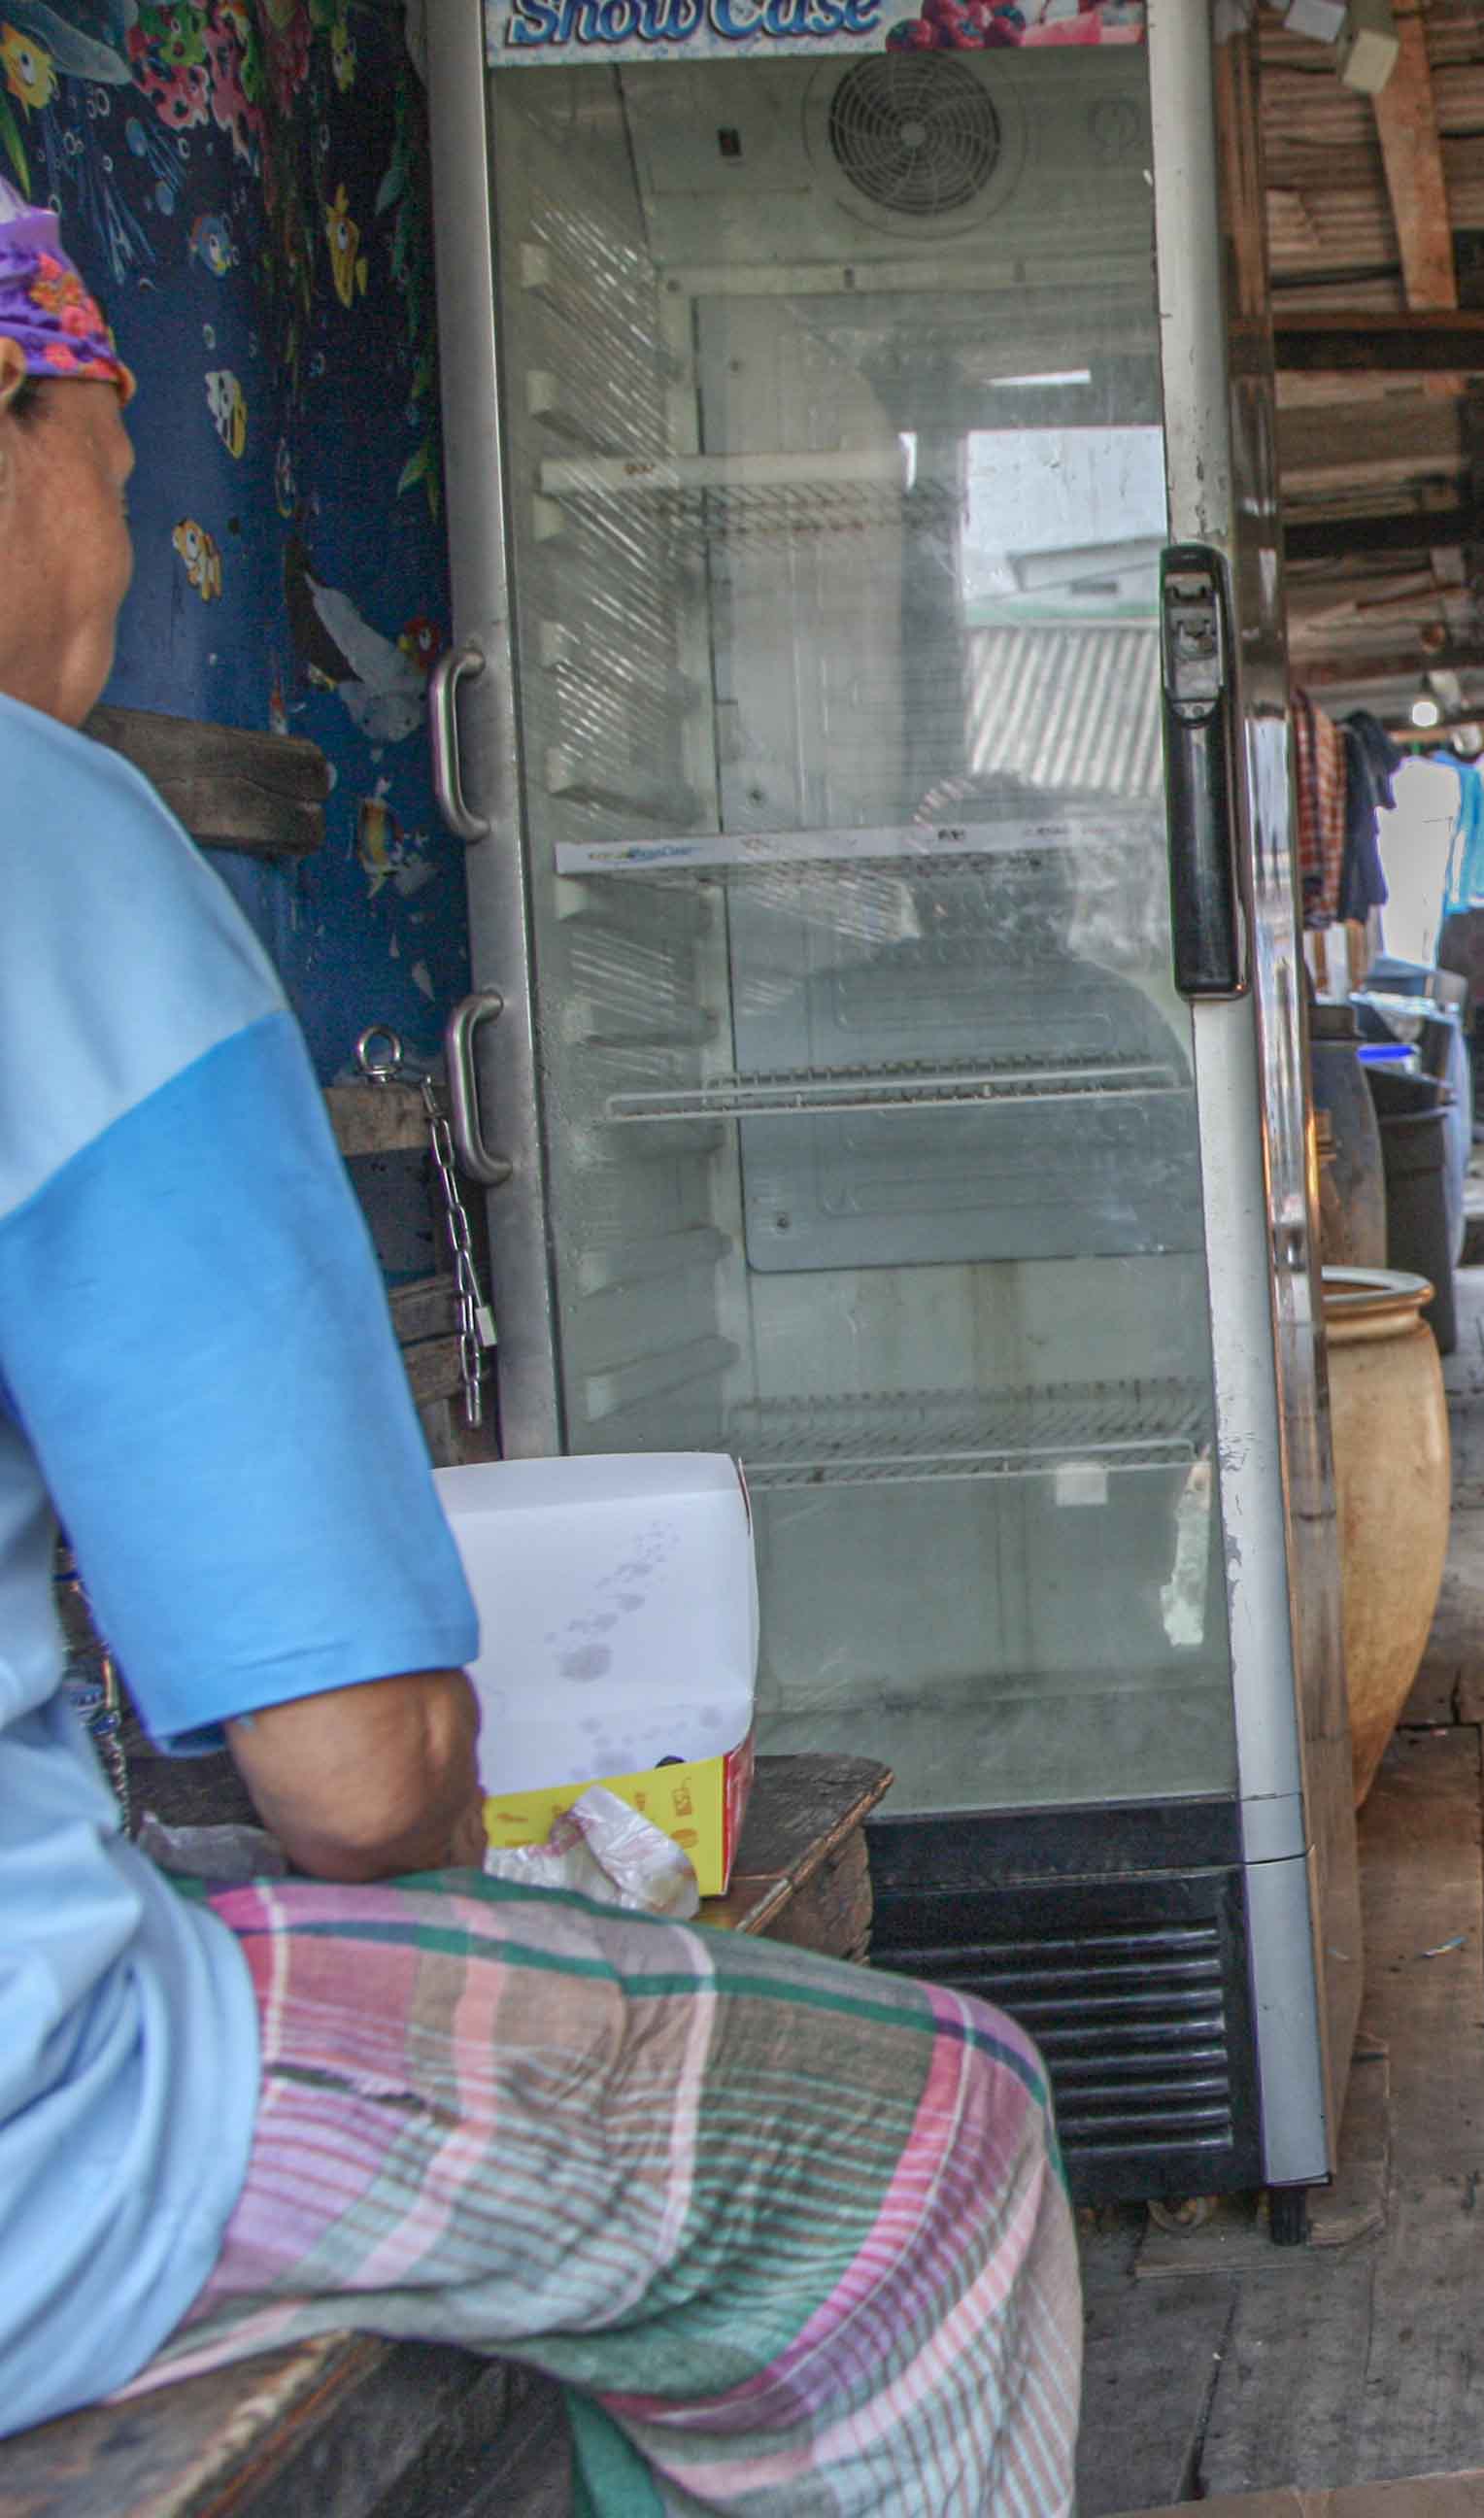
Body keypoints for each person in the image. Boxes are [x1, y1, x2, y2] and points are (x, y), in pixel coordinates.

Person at [0, 187, 1082, 2511]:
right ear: (31, 426)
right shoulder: (44, 841)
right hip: (37, 2166)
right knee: (932, 2159)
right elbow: (358, 1780)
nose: (120, 521)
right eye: (106, 443)